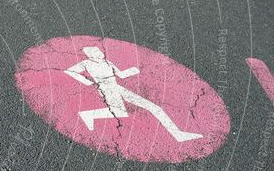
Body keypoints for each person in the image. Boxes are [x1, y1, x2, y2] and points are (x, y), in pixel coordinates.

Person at [64, 46, 202, 142]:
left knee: (153, 107)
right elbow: (70, 71)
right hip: (107, 89)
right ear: (90, 55)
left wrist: (134, 70)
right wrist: (87, 81)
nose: (99, 53)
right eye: (95, 52)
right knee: (120, 113)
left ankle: (179, 134)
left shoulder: (108, 62)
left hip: (117, 87)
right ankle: (89, 115)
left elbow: (121, 75)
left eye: (99, 50)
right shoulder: (86, 63)